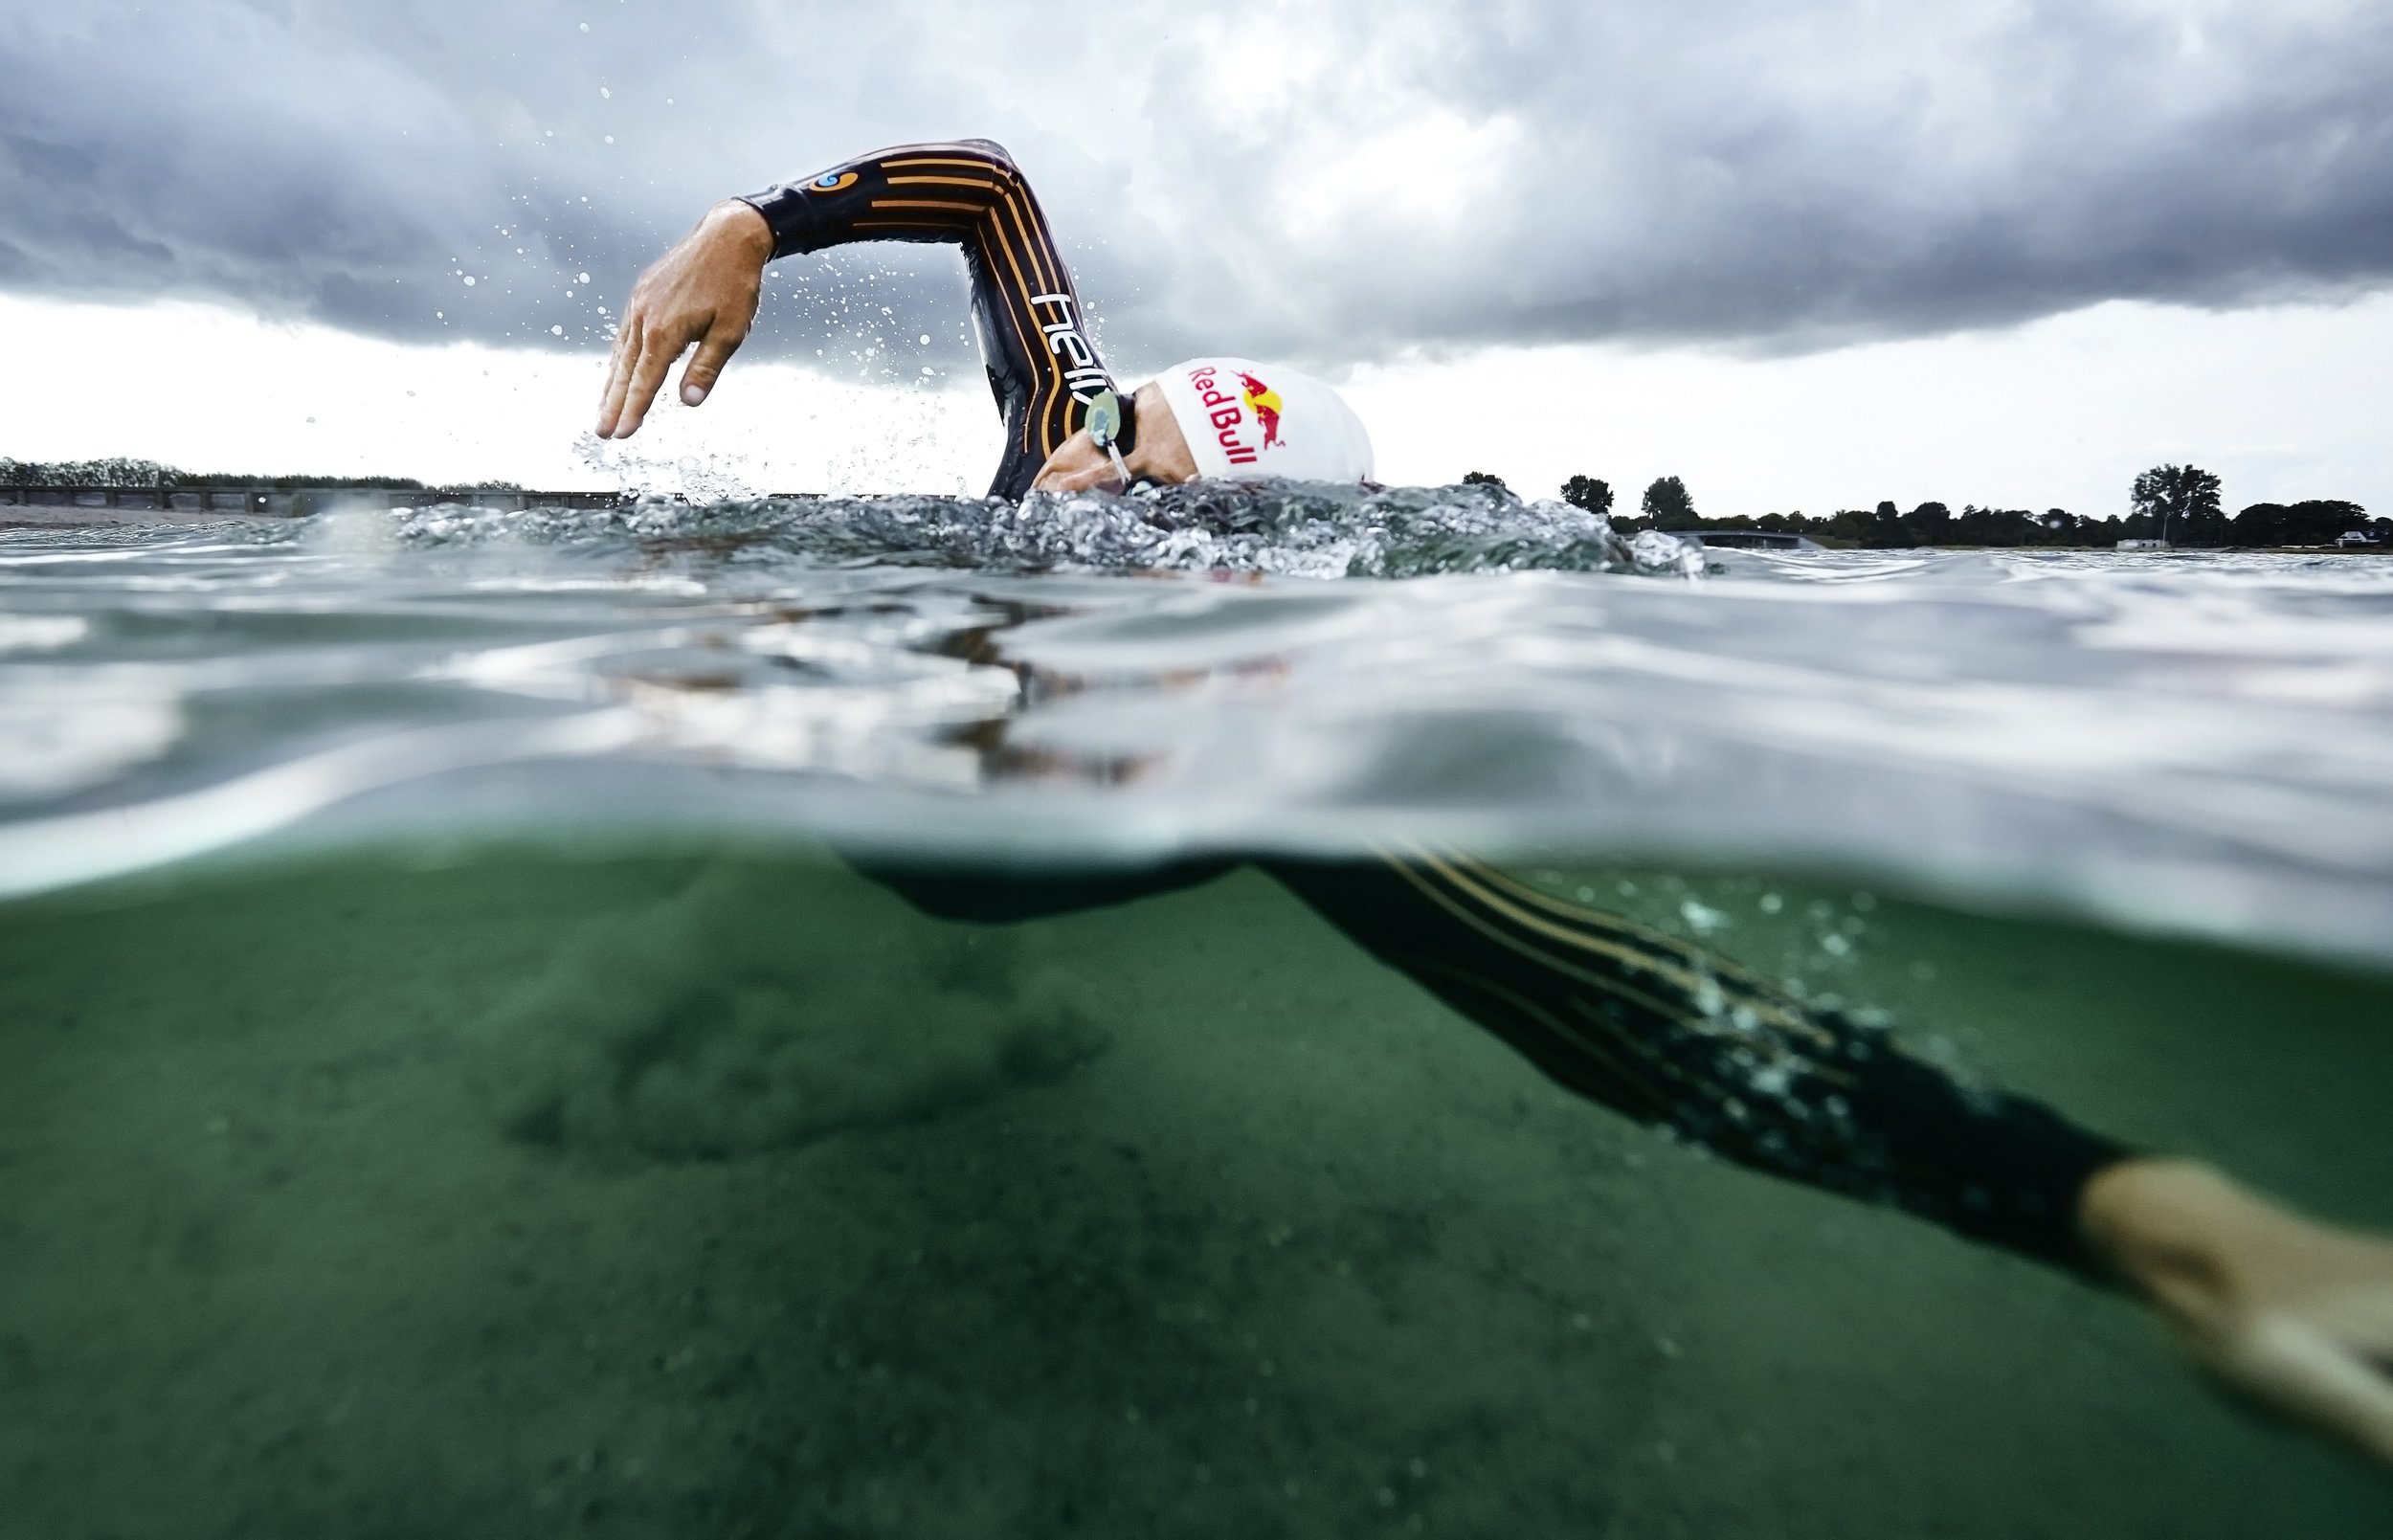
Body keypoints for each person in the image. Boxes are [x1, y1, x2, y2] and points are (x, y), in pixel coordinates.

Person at [594, 140, 2393, 1466]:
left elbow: (1603, 997)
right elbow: (988, 187)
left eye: (1147, 493)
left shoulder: (1247, 770)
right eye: (1108, 427)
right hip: (870, 728)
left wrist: (2133, 1211)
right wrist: (752, 225)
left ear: (1238, 590)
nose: (1081, 473)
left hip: (973, 850)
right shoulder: (1068, 427)